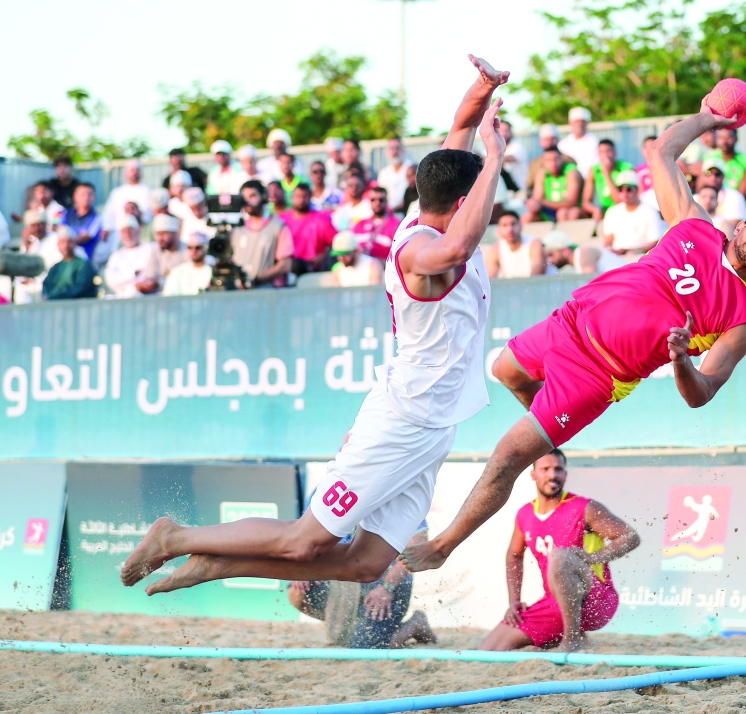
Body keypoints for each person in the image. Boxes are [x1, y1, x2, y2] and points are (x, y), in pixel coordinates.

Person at [120, 54, 508, 595]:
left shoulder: (432, 211)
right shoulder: (422, 251)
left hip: (433, 424)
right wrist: (496, 156)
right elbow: (462, 241)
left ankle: (218, 564)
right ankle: (176, 538)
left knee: (366, 563)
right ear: (465, 201)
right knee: (306, 540)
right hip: (405, 420)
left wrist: (484, 88)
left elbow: (460, 128)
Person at [399, 94, 746, 574]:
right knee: (503, 368)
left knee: (507, 456)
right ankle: (548, 432)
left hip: (596, 377)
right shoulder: (694, 225)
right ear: (742, 225)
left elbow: (703, 393)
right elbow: (661, 150)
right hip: (569, 323)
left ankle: (442, 547)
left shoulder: (744, 317)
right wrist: (709, 118)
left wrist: (680, 360)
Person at [479, 449, 639, 652]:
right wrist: (514, 601)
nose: (552, 474)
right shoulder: (525, 513)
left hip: (595, 600)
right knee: (488, 650)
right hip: (555, 602)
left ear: (565, 474)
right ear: (533, 474)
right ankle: (556, 639)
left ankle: (572, 639)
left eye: (558, 469)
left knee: (560, 556)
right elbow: (514, 556)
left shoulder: (583, 507)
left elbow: (630, 537)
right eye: (545, 469)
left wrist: (592, 558)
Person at [289, 525, 438, 650]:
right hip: (344, 579)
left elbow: (417, 546)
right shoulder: (327, 492)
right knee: (297, 590)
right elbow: (306, 537)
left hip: (385, 583)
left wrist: (386, 587)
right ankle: (353, 626)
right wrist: (303, 569)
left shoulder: (403, 496)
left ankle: (414, 625)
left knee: (367, 648)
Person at [12, 211, 87, 304]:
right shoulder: (30, 243)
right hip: (31, 285)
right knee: (19, 289)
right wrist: (27, 247)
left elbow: (57, 267)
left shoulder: (54, 240)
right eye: (33, 226)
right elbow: (21, 270)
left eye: (39, 225)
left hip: (49, 283)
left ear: (45, 225)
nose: (37, 229)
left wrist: (36, 280)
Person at [232, 180, 295, 288]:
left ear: (263, 197)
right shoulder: (238, 229)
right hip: (239, 296)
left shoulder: (278, 226)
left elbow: (285, 265)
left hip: (268, 294)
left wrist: (256, 281)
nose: (248, 201)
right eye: (245, 197)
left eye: (252, 196)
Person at [600, 170, 665, 257]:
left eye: (629, 189)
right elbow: (609, 240)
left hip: (639, 256)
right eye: (620, 189)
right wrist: (609, 250)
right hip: (617, 256)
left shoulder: (650, 212)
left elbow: (654, 243)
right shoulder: (612, 212)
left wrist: (629, 251)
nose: (625, 193)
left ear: (637, 190)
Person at [281, 183, 335, 274]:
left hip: (313, 271)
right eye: (298, 196)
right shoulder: (282, 220)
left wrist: (323, 256)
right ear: (292, 197)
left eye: (305, 196)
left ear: (311, 197)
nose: (301, 200)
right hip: (287, 270)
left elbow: (335, 243)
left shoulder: (321, 220)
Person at [523, 148, 583, 223]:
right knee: (526, 217)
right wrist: (534, 204)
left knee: (564, 213)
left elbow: (571, 202)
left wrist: (543, 202)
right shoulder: (542, 173)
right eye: (548, 160)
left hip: (569, 210)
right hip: (549, 211)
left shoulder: (572, 172)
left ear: (562, 159)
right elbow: (537, 199)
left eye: (556, 159)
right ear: (544, 162)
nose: (552, 163)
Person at [102, 159, 152, 246]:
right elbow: (109, 214)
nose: (135, 173)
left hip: (140, 233)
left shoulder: (147, 191)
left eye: (137, 170)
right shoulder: (117, 192)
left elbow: (148, 215)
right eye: (132, 170)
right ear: (125, 173)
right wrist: (106, 229)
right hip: (119, 234)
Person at [582, 140, 633, 221]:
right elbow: (585, 202)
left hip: (622, 210)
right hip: (604, 210)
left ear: (615, 153)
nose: (605, 155)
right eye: (602, 152)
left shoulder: (625, 168)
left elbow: (619, 201)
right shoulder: (593, 170)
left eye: (608, 151)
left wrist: (606, 173)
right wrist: (595, 210)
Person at [104, 214, 154, 299]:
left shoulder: (151, 248)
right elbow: (112, 281)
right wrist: (133, 274)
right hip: (124, 297)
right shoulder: (116, 256)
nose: (127, 234)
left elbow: (152, 276)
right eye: (124, 231)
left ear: (138, 230)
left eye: (130, 230)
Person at [484, 211, 545, 279]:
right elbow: (490, 278)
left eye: (513, 224)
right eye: (504, 225)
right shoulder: (495, 249)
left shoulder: (534, 243)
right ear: (499, 230)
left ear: (520, 225)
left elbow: (536, 277)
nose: (510, 229)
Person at [42, 226, 98, 300]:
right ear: (58, 245)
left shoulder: (83, 265)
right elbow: (46, 286)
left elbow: (79, 289)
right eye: (62, 242)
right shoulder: (55, 268)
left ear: (75, 243)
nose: (66, 245)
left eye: (69, 242)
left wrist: (55, 296)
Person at [137, 214, 188, 294]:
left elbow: (186, 280)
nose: (160, 238)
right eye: (158, 234)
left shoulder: (188, 249)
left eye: (164, 234)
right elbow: (151, 275)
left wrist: (159, 283)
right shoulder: (156, 250)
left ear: (175, 234)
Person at [543, 230, 626, 275]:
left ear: (565, 250)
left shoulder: (584, 252)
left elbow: (591, 286)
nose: (549, 260)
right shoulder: (580, 258)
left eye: (551, 255)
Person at [353, 187, 401, 262]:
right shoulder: (360, 224)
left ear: (386, 201)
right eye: (373, 200)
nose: (377, 203)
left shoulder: (396, 225)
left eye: (381, 200)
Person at [705, 128, 746, 197]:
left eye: (729, 137)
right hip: (711, 200)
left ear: (736, 138)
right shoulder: (710, 158)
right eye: (721, 138)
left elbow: (741, 196)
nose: (724, 141)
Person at [696, 158, 746, 224]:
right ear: (702, 176)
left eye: (717, 174)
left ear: (723, 176)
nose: (713, 178)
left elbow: (734, 225)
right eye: (708, 173)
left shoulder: (735, 196)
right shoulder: (694, 197)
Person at [61, 183, 104, 261]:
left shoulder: (97, 218)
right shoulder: (65, 213)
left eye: (90, 194)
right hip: (62, 257)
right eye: (83, 194)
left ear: (94, 197)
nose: (86, 197)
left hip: (83, 260)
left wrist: (66, 241)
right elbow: (59, 231)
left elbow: (84, 237)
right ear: (75, 197)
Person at [526, 125, 571, 194]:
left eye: (552, 139)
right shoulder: (534, 164)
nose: (550, 142)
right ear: (541, 142)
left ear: (558, 140)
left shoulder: (568, 160)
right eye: (546, 139)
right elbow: (530, 186)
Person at [557, 107, 600, 177]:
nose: (580, 124)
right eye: (577, 121)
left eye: (583, 121)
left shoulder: (595, 142)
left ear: (587, 123)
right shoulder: (562, 145)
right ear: (570, 123)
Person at [377, 138, 413, 211]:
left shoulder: (412, 169)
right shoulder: (383, 173)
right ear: (386, 152)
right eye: (391, 148)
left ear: (403, 150)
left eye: (397, 148)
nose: (394, 152)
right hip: (388, 213)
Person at [500, 120, 529, 192]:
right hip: (504, 191)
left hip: (520, 191)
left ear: (511, 132)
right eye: (501, 130)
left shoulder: (517, 147)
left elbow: (506, 158)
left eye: (506, 130)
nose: (504, 133)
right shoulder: (490, 149)